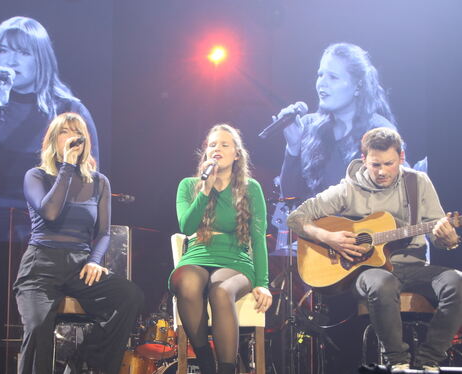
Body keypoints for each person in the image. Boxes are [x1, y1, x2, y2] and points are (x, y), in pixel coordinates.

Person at [287, 127, 462, 370]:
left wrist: (448, 238)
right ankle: (398, 361)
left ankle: (429, 359)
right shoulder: (349, 188)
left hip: (413, 268)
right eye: (375, 164)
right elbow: (296, 218)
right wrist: (329, 237)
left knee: (456, 281)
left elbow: (437, 234)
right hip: (368, 273)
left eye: (388, 164)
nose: (381, 172)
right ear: (364, 160)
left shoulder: (417, 182)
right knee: (382, 282)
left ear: (400, 158)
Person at [13, 112, 143, 374]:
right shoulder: (36, 176)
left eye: (78, 133)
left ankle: (86, 360)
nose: (73, 138)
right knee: (38, 327)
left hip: (79, 266)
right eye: (65, 132)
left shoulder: (98, 182)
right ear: (52, 140)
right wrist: (67, 167)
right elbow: (50, 212)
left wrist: (95, 261)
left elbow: (104, 232)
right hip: (41, 266)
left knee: (129, 297)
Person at [0, 16, 99, 242]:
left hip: (49, 228)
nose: (12, 61)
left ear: (41, 59)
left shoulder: (69, 109)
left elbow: (88, 182)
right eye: (4, 51)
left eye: (23, 53)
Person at [170, 124, 272, 374]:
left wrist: (263, 282)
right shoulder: (188, 185)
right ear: (205, 153)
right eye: (212, 144)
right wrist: (206, 189)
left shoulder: (251, 188)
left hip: (234, 260)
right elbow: (187, 226)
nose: (217, 148)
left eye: (224, 144)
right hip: (198, 254)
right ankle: (206, 364)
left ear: (237, 154)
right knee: (186, 281)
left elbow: (258, 239)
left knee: (221, 291)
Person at [277, 42, 397, 200]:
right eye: (320, 75)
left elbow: (396, 196)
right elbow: (290, 197)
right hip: (314, 224)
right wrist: (293, 147)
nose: (322, 83)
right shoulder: (308, 126)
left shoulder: (379, 131)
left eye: (333, 77)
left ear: (358, 85)